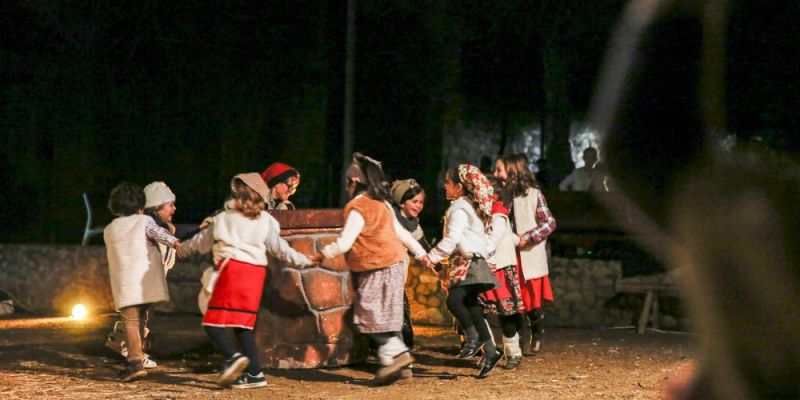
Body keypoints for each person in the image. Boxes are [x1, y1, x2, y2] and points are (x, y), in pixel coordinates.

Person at [177, 173, 313, 389]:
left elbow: (198, 243)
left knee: (213, 323)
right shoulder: (266, 221)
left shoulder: (223, 218)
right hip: (255, 274)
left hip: (231, 271)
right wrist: (304, 261)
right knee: (243, 325)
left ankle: (233, 357)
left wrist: (180, 250)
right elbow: (280, 249)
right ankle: (255, 374)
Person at [311, 153, 430, 385]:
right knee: (389, 317)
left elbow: (345, 242)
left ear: (354, 182)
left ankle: (396, 354)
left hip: (377, 266)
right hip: (395, 264)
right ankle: (400, 369)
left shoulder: (358, 207)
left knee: (366, 315)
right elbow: (402, 233)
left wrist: (322, 254)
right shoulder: (382, 203)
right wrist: (421, 253)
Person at [426, 164, 503, 378]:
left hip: (470, 264)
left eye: (448, 183)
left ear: (459, 187)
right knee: (472, 307)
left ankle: (473, 339)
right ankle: (491, 351)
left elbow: (452, 238)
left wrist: (432, 256)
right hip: (473, 262)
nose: (444, 186)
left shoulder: (459, 207)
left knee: (454, 301)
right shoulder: (469, 205)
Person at [103, 182, 180, 382]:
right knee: (140, 319)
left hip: (126, 283)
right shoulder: (146, 222)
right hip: (145, 283)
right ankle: (134, 357)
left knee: (131, 320)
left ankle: (134, 361)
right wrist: (177, 243)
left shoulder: (110, 229)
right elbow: (159, 235)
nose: (173, 209)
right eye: (169, 204)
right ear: (141, 206)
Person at [498, 153, 557, 355]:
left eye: (500, 169)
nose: (497, 174)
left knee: (532, 300)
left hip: (528, 255)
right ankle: (519, 341)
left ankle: (537, 330)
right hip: (508, 255)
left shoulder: (533, 194)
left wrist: (528, 236)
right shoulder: (500, 196)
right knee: (514, 301)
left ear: (513, 171)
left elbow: (549, 222)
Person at [479, 175, 527, 369]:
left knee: (505, 314)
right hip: (488, 267)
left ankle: (513, 352)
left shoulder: (498, 214)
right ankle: (490, 351)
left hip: (499, 269)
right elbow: (508, 235)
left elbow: (496, 237)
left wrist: (482, 251)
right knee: (479, 312)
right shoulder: (486, 213)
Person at [390, 179, 431, 353]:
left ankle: (402, 348)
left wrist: (436, 259)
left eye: (421, 202)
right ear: (401, 201)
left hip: (400, 273)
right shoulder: (392, 217)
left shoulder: (413, 223)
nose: (419, 206)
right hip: (389, 270)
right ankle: (403, 348)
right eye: (414, 201)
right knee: (398, 309)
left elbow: (422, 245)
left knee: (400, 309)